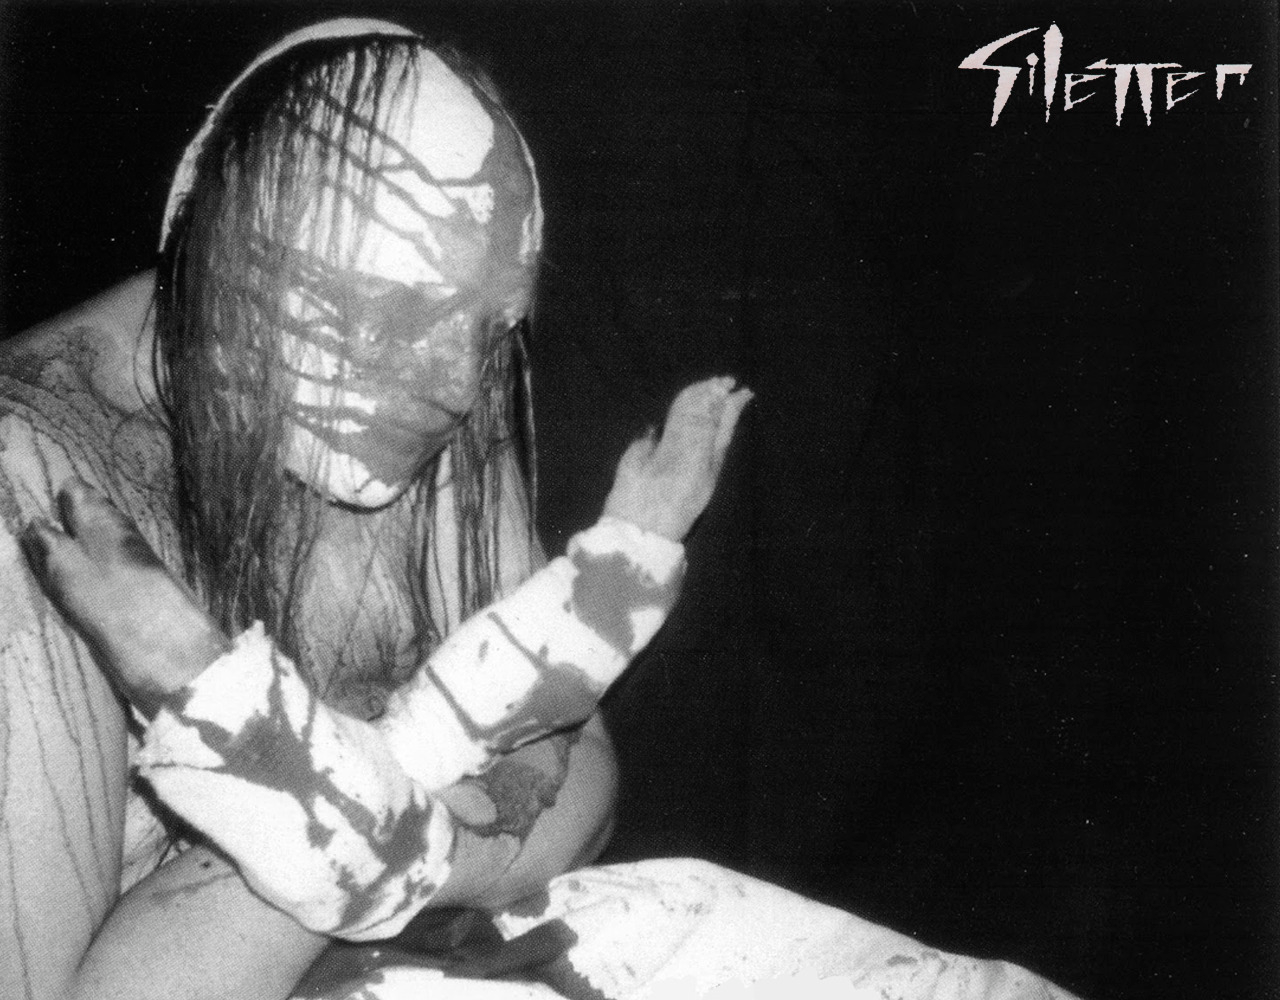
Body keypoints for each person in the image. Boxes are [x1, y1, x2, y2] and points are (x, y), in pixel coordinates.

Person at [0, 19, 1078, 1000]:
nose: (453, 385)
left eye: (491, 329)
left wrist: (358, 824)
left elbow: (584, 777)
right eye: (405, 314)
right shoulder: (31, 496)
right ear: (236, 250)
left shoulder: (388, 396)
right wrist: (436, 786)